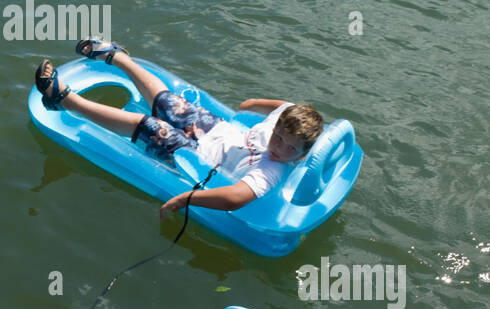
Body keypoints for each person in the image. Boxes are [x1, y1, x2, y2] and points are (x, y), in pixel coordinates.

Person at [34, 37, 323, 217]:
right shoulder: (284, 122)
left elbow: (235, 199)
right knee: (167, 101)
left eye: (290, 148)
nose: (279, 147)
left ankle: (62, 99)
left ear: (300, 155)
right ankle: (117, 55)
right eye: (279, 137)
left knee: (146, 124)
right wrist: (253, 103)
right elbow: (283, 106)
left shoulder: (271, 170)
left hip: (199, 157)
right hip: (216, 130)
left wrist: (187, 198)